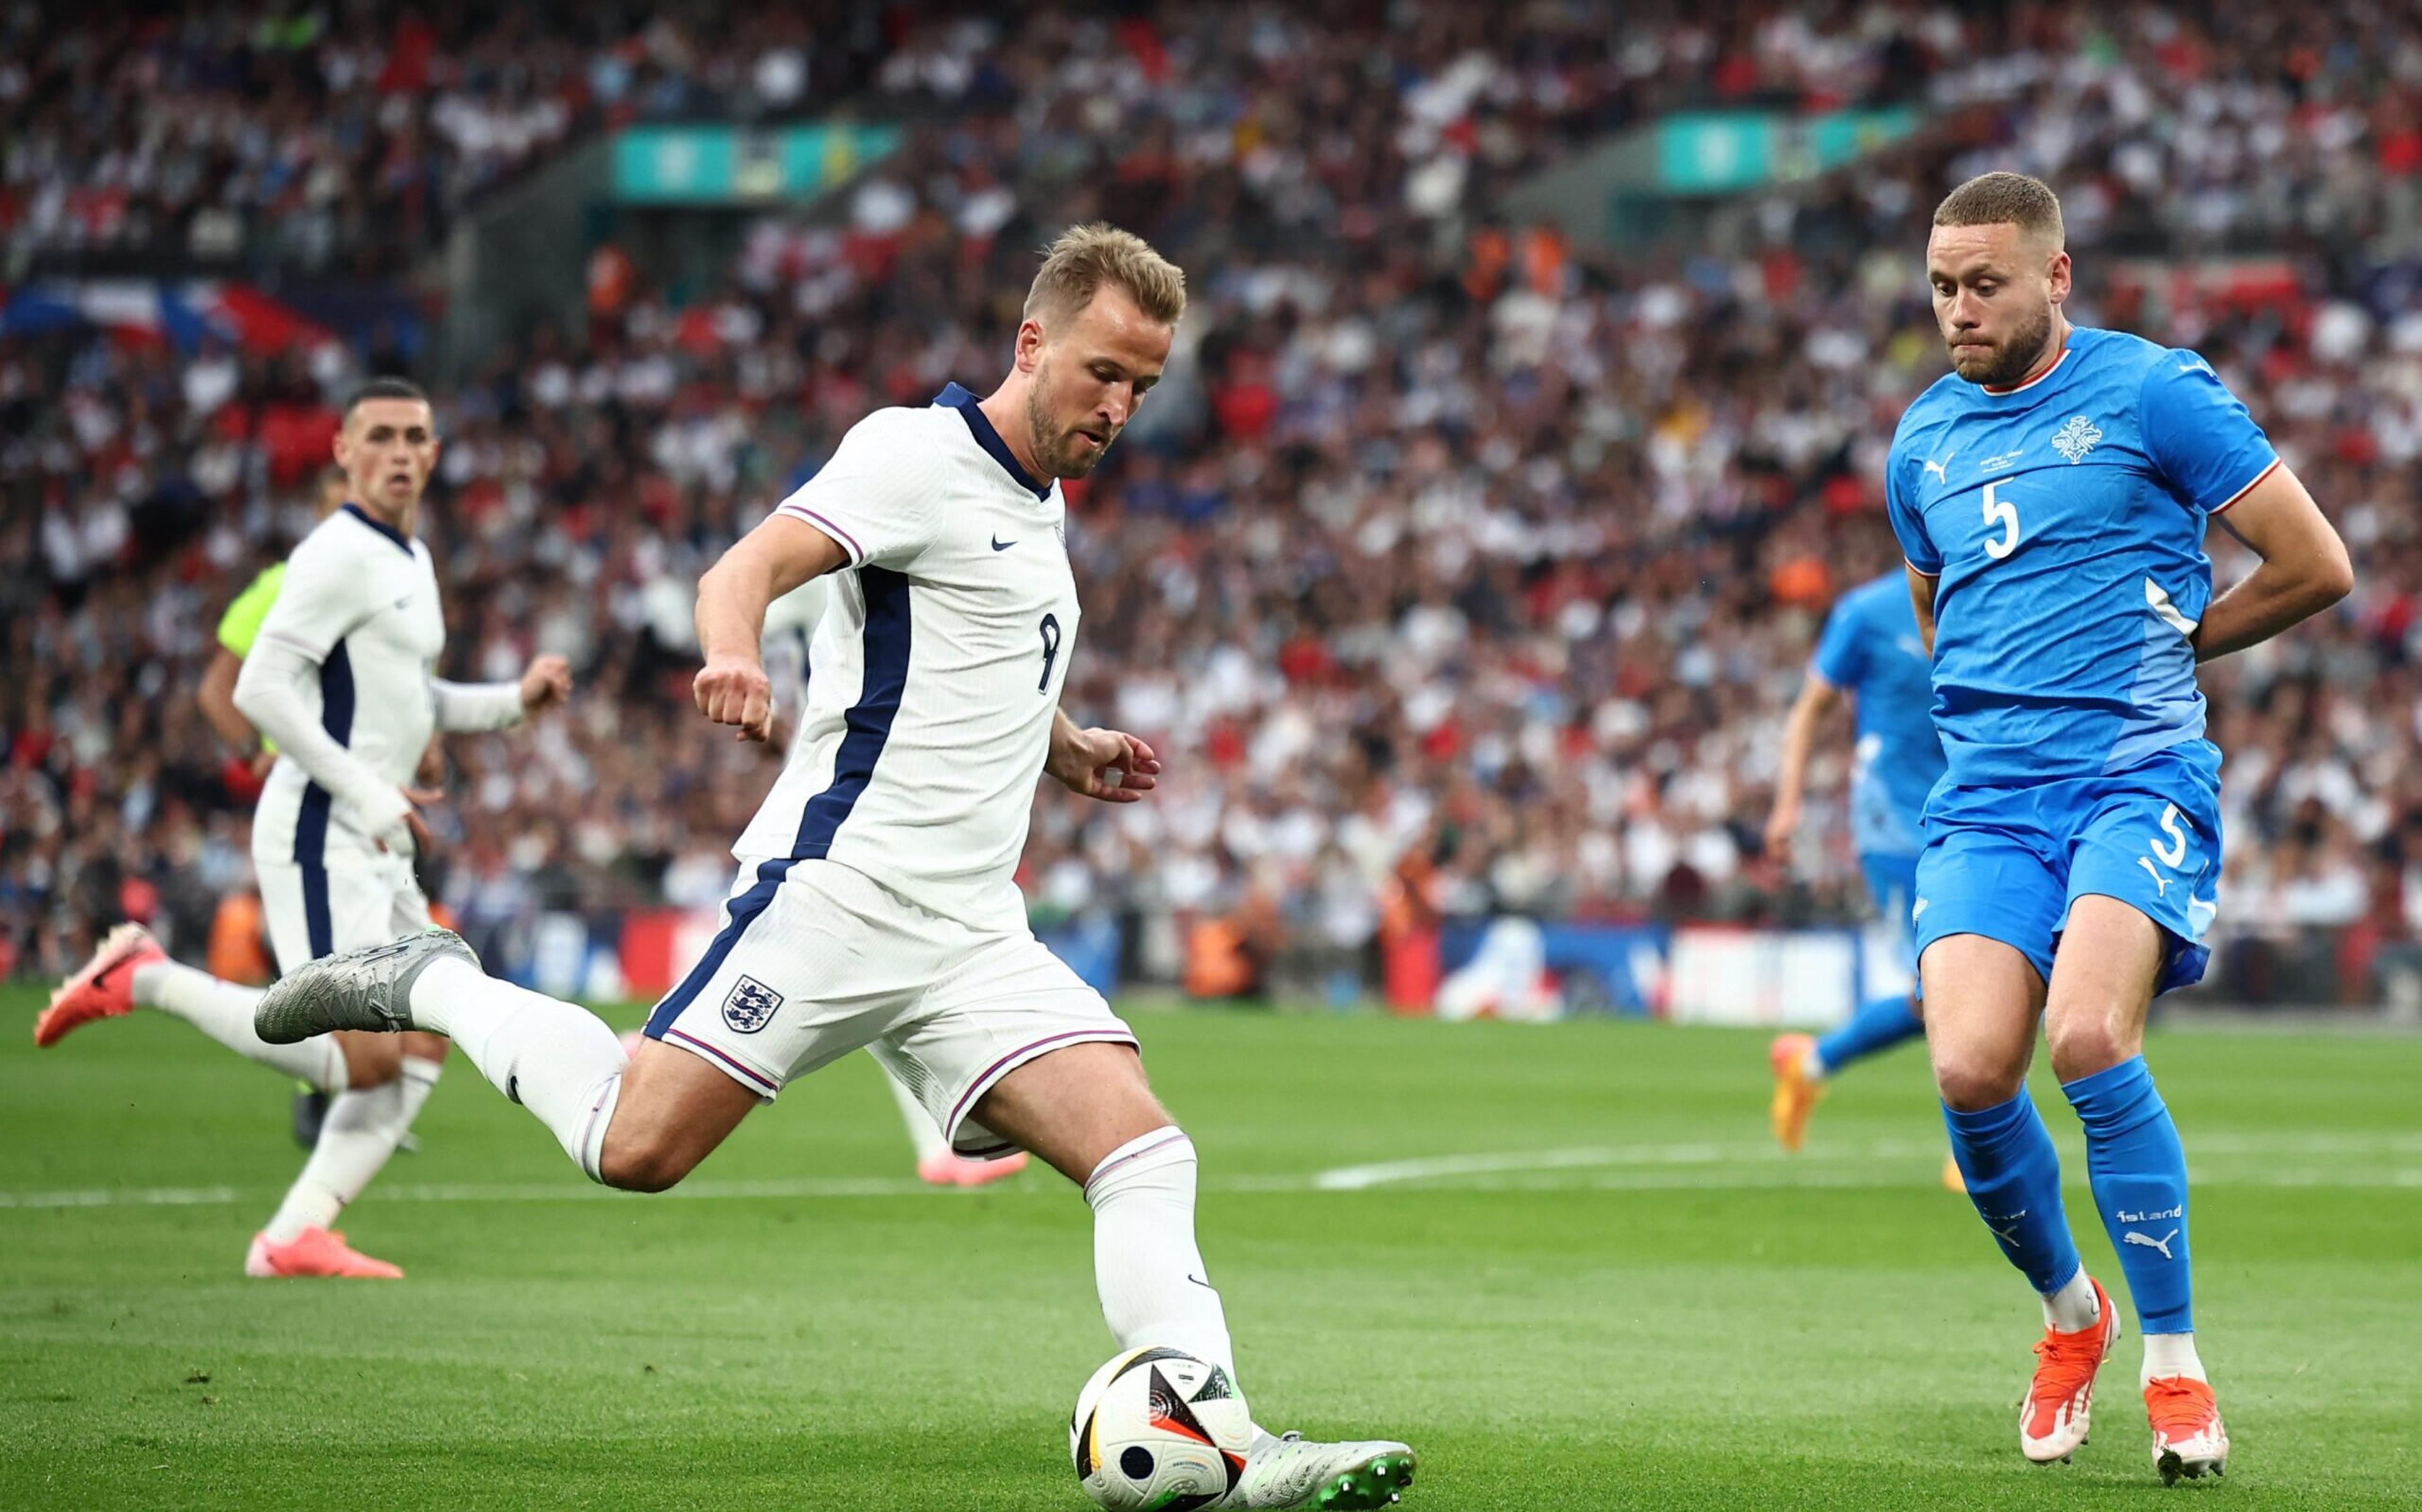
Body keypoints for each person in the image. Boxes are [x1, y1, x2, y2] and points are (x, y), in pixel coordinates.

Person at [252, 226, 1415, 1509]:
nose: (1120, 406)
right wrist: (735, 653)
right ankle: (431, 978)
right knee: (634, 1146)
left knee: (1145, 1151)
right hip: (838, 895)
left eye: (1144, 384)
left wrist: (1065, 743)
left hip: (972, 931)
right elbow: (740, 568)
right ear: (1032, 343)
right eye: (1101, 372)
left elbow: (969, 654)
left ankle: (1226, 1443)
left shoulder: (1041, 500)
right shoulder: (914, 453)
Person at [1886, 173, 2351, 1483]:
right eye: (1941, 287)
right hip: (1987, 795)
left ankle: (2176, 1358)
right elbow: (1947, 624)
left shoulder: (2156, 393)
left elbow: (2318, 564)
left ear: (2056, 276)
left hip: (2134, 771)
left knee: (2088, 1034)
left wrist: (2191, 640)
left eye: (1984, 284)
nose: (1960, 309)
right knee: (1973, 1069)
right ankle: (2070, 1318)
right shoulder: (1920, 443)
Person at [38, 379, 573, 1280]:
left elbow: (415, 698)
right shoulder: (334, 553)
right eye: (382, 437)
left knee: (426, 1031)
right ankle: (146, 976)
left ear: (437, 452)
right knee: (357, 1059)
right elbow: (256, 690)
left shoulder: (411, 557)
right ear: (344, 452)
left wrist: (511, 703)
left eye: (417, 436)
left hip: (377, 834)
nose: (401, 452)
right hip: (325, 828)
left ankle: (298, 1232)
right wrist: (366, 787)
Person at [1764, 563, 1958, 1190]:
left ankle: (1813, 1063)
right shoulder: (1866, 612)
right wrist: (1788, 804)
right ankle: (1979, 1148)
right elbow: (1809, 709)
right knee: (1947, 985)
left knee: (1954, 989)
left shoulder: (1982, 599)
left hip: (1967, 817)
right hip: (1892, 823)